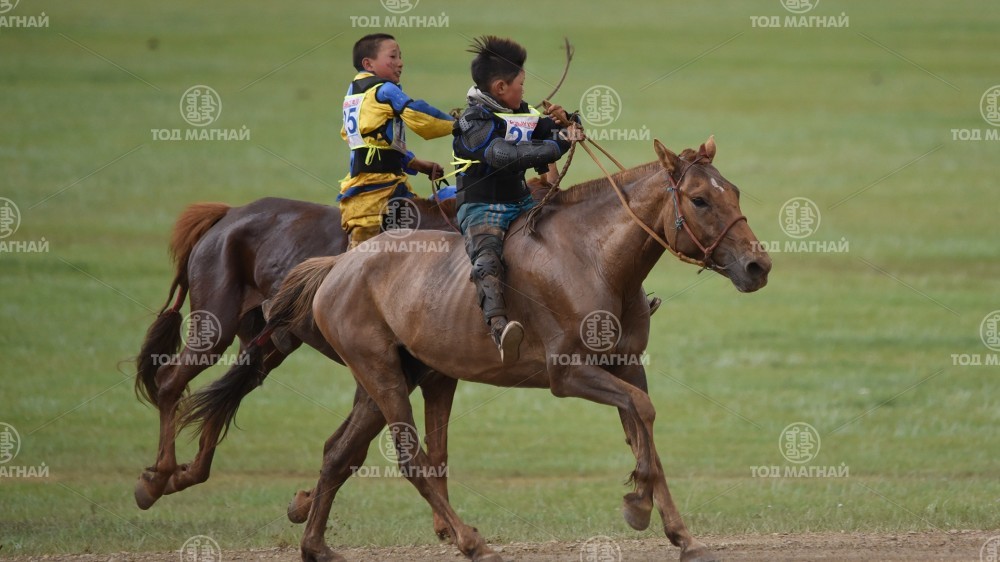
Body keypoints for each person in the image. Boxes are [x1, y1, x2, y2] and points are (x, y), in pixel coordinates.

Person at [452, 36, 581, 364]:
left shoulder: (521, 111)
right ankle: (498, 327)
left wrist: (569, 121)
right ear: (499, 87)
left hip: (521, 200)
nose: (524, 90)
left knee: (571, 229)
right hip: (481, 206)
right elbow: (505, 156)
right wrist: (560, 142)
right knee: (488, 259)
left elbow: (549, 131)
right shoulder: (473, 124)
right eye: (521, 84)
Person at [339, 33, 454, 248]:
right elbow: (419, 114)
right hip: (377, 194)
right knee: (363, 263)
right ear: (368, 64)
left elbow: (376, 143)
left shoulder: (353, 93)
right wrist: (457, 125)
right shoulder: (384, 90)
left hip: (373, 188)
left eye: (400, 57)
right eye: (393, 57)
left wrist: (417, 164)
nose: (400, 63)